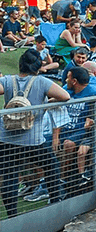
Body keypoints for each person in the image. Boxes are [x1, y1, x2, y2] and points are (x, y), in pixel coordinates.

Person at [0, 49, 70, 215]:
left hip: (7, 137)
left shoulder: (7, 80)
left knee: (9, 175)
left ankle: (12, 215)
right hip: (32, 139)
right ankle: (55, 202)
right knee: (51, 166)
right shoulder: (42, 82)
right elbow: (65, 96)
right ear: (38, 66)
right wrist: (45, 101)